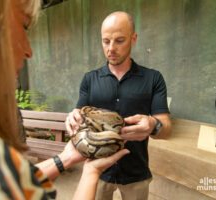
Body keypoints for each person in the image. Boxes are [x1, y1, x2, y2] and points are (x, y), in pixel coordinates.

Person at [0, 1, 129, 199]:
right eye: (24, 26)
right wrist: (91, 173)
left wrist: (65, 158)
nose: (29, 51)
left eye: (120, 40)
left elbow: (12, 183)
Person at [65, 11, 172, 200]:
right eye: (106, 41)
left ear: (133, 39)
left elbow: (166, 128)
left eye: (119, 40)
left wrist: (153, 125)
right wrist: (72, 118)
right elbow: (78, 114)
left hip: (136, 172)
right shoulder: (89, 79)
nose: (111, 48)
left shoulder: (153, 78)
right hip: (97, 171)